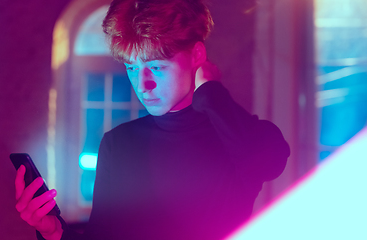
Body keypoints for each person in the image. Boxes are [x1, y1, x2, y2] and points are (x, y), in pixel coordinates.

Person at [14, 0, 290, 239]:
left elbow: (268, 161)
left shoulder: (237, 136)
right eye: (132, 68)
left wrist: (210, 91)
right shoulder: (119, 143)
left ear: (196, 55)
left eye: (156, 67)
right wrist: (52, 230)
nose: (143, 84)